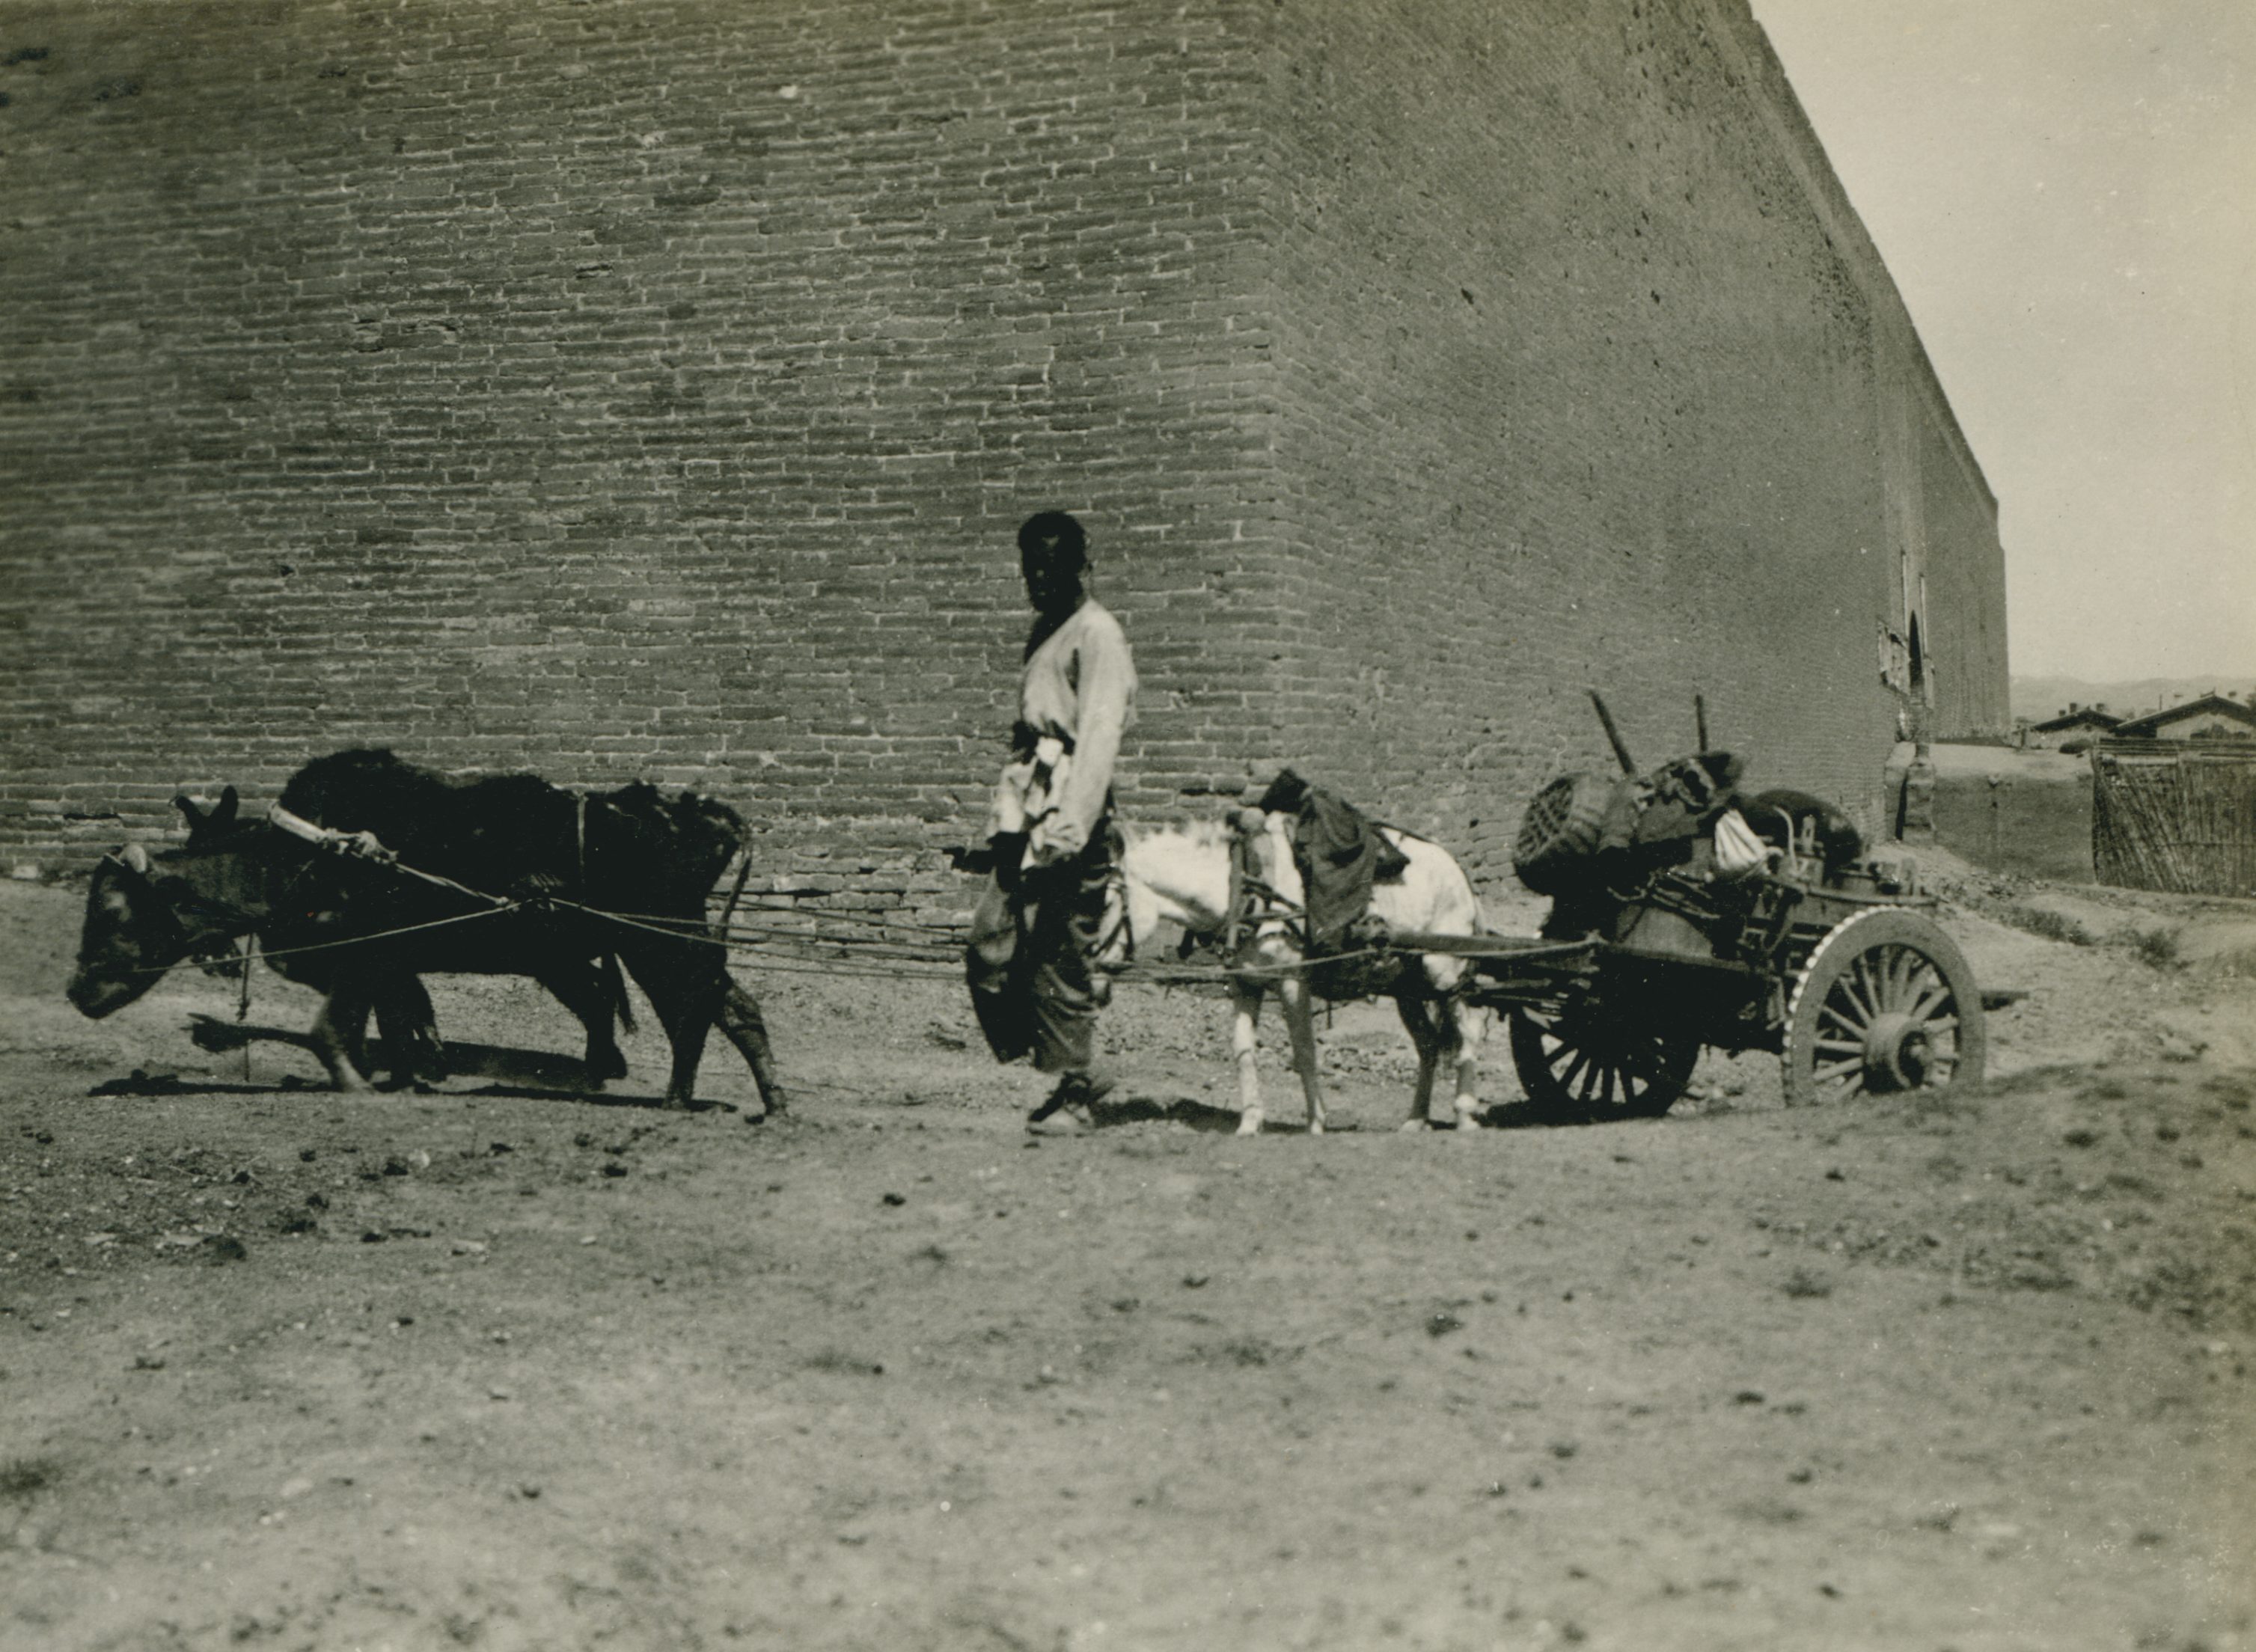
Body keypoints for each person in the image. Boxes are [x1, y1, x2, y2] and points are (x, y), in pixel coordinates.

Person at [965, 510, 1137, 1126]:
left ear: (1080, 565)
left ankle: (1074, 1089)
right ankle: (1062, 1067)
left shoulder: (1097, 634)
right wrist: (1007, 819)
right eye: (1029, 567)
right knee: (990, 942)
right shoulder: (1045, 630)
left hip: (1072, 815)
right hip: (1027, 809)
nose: (1038, 577)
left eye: (1052, 565)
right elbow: (1028, 739)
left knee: (1061, 952)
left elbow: (1096, 737)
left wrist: (1067, 830)